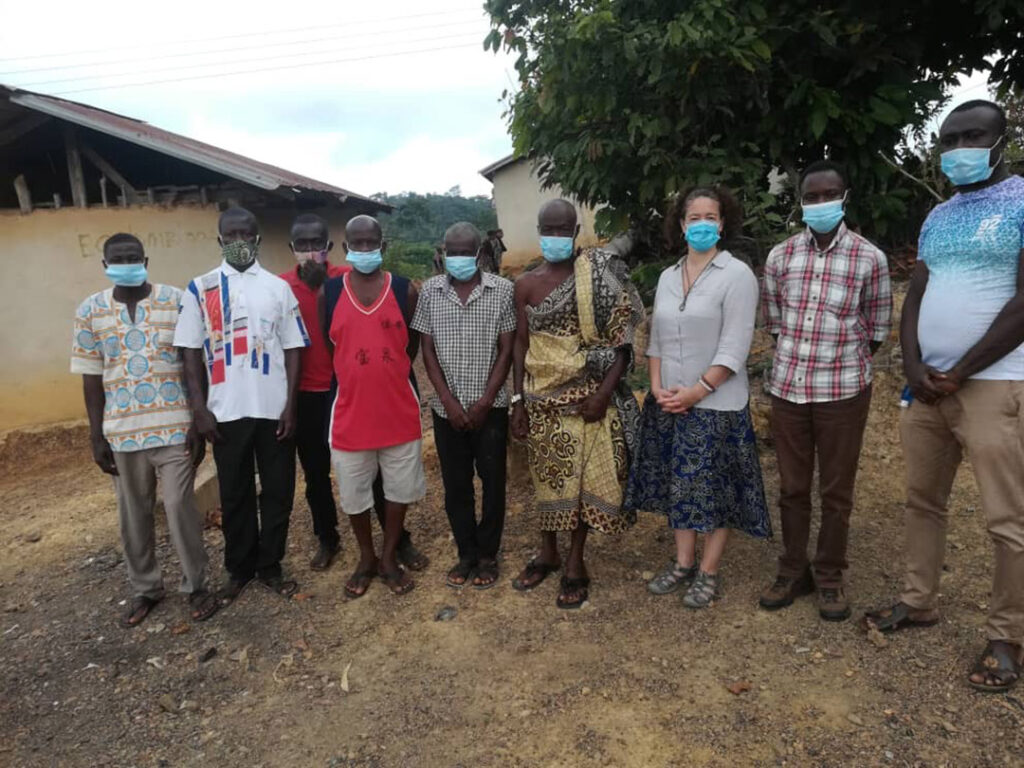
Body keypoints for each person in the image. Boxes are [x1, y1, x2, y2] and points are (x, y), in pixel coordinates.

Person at [864, 100, 1024, 692]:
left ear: (1001, 140)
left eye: (972, 135)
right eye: (949, 138)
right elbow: (916, 293)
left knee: (1008, 518)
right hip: (928, 386)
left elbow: (1023, 304)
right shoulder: (939, 215)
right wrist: (913, 363)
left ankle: (1008, 636)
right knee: (921, 501)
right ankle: (918, 599)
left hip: (998, 382)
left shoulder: (1023, 202)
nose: (958, 147)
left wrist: (962, 369)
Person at [760, 160, 892, 621]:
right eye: (811, 197)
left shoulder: (869, 258)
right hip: (789, 389)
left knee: (837, 491)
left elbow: (875, 330)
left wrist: (839, 362)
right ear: (800, 202)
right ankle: (793, 569)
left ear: (845, 196)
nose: (820, 204)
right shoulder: (780, 257)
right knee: (792, 488)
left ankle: (830, 574)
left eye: (828, 195)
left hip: (843, 390)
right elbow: (776, 324)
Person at [625, 188, 770, 608]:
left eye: (712, 216)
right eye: (695, 217)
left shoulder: (737, 275)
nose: (703, 223)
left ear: (722, 224)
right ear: (682, 224)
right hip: (669, 401)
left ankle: (707, 571)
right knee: (679, 486)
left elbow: (734, 346)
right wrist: (655, 387)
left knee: (716, 489)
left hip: (715, 405)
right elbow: (656, 339)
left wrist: (696, 391)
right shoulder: (669, 277)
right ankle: (683, 562)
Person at [72, 233, 218, 626]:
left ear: (146, 258)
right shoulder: (90, 311)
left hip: (174, 428)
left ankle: (196, 585)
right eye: (118, 258)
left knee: (177, 506)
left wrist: (196, 417)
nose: (126, 262)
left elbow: (193, 362)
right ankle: (146, 589)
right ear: (105, 266)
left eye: (133, 256)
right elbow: (90, 376)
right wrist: (96, 435)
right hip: (122, 432)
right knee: (133, 514)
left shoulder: (176, 300)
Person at [510, 199, 644, 609]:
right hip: (539, 402)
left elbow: (621, 344)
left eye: (562, 229)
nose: (555, 236)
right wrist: (517, 400)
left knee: (582, 486)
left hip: (587, 400)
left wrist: (603, 395)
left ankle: (574, 562)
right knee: (548, 480)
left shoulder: (600, 278)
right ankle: (548, 552)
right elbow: (520, 344)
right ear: (539, 230)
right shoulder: (525, 283)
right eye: (547, 229)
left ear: (575, 230)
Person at [174, 207, 309, 605]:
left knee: (279, 491)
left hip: (273, 410)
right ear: (219, 240)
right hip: (225, 412)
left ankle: (271, 566)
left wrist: (291, 406)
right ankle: (239, 569)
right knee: (234, 494)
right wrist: (199, 410)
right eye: (230, 235)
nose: (239, 241)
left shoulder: (277, 289)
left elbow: (294, 347)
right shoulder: (201, 288)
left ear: (257, 240)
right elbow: (189, 355)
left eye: (245, 234)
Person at [323, 215, 426, 598]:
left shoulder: (404, 290)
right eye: (357, 243)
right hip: (350, 411)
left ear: (383, 244)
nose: (365, 249)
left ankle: (387, 557)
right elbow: (331, 342)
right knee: (354, 492)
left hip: (398, 408)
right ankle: (365, 557)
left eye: (372, 242)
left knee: (398, 490)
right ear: (346, 246)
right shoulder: (331, 294)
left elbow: (411, 346)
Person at [412, 221, 516, 589]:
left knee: (492, 483)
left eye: (465, 251)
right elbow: (426, 349)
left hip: (491, 409)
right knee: (456, 487)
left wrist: (488, 399)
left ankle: (488, 555)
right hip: (447, 411)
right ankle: (466, 553)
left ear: (479, 253)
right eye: (451, 251)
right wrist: (446, 401)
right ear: (443, 252)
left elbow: (507, 349)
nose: (458, 258)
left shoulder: (503, 291)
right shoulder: (429, 292)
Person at [280, 214, 349, 570]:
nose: (309, 252)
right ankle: (327, 537)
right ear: (292, 248)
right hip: (305, 394)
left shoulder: (347, 280)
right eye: (301, 245)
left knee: (366, 468)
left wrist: (324, 286)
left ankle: (395, 540)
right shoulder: (278, 287)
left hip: (345, 390)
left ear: (329, 247)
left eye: (316, 245)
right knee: (316, 474)